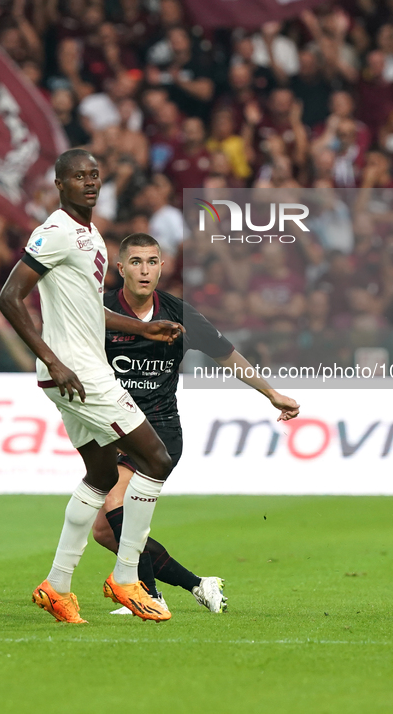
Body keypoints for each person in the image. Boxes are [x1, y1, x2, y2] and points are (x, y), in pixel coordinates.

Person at [0, 149, 185, 625]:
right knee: (155, 459)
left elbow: (88, 309)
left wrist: (145, 329)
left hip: (77, 371)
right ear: (59, 184)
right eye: (78, 176)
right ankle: (127, 579)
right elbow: (9, 297)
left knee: (101, 475)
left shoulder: (91, 236)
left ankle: (56, 586)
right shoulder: (57, 231)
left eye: (95, 175)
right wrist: (52, 360)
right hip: (78, 372)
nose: (89, 182)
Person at [93, 232, 300, 614]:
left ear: (161, 267)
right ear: (120, 268)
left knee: (115, 502)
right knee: (106, 530)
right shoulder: (99, 309)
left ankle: (147, 594)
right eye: (135, 262)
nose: (144, 270)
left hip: (159, 432)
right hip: (114, 429)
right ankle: (197, 584)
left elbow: (228, 355)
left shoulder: (179, 313)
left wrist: (271, 393)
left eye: (152, 262)